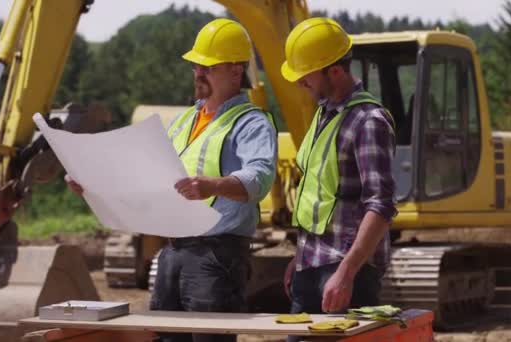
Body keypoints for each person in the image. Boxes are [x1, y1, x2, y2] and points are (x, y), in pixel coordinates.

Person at [66, 18, 277, 342]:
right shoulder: (183, 121)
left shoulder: (251, 123)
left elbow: (260, 177)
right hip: (173, 253)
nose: (198, 73)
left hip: (217, 256)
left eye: (207, 67)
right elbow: (146, 178)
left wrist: (212, 185)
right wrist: (93, 185)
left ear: (236, 71)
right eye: (195, 66)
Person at [280, 17, 397, 341]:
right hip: (311, 265)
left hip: (345, 272)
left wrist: (346, 273)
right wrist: (299, 257)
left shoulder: (368, 121)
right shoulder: (324, 114)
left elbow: (381, 205)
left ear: (335, 71)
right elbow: (319, 195)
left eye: (307, 74)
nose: (300, 81)